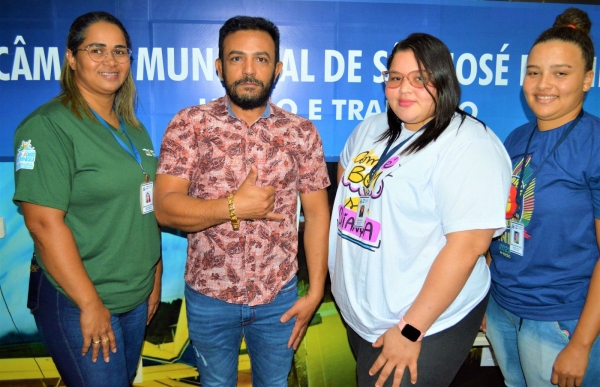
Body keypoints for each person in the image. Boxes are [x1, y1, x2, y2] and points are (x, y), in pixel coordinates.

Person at [153, 15, 330, 387]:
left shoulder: (301, 132)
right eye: (237, 59)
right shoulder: (190, 124)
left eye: (261, 59)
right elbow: (165, 207)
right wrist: (234, 206)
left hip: (278, 299)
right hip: (209, 297)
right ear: (219, 67)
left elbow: (316, 216)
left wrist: (314, 291)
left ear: (277, 69)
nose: (249, 70)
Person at [329, 33, 511, 387]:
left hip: (424, 323)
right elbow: (344, 189)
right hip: (364, 315)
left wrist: (411, 329)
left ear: (443, 82)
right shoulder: (371, 128)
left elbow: (469, 246)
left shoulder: (468, 145)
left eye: (419, 78)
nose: (404, 89)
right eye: (395, 78)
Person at [13, 11, 162, 387]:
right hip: (81, 299)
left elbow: (145, 205)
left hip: (133, 294)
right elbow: (43, 225)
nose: (110, 61)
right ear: (71, 57)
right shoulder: (47, 127)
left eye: (119, 51)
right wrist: (91, 304)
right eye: (96, 50)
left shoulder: (133, 127)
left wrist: (154, 274)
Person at [486, 8, 600, 387]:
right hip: (504, 309)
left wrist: (582, 344)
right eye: (534, 72)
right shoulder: (517, 137)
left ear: (588, 79)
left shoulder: (595, 144)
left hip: (560, 321)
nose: (543, 84)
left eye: (560, 73)